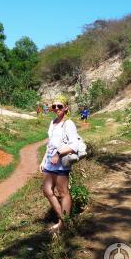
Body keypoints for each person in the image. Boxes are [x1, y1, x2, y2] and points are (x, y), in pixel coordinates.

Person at [40, 95, 80, 233]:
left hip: (62, 160)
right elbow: (50, 143)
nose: (56, 108)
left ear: (66, 108)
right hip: (50, 160)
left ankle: (63, 224)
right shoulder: (53, 122)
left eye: (60, 106)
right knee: (47, 190)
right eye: (54, 106)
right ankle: (62, 220)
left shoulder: (68, 124)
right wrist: (44, 159)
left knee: (63, 192)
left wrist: (58, 154)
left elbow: (74, 145)